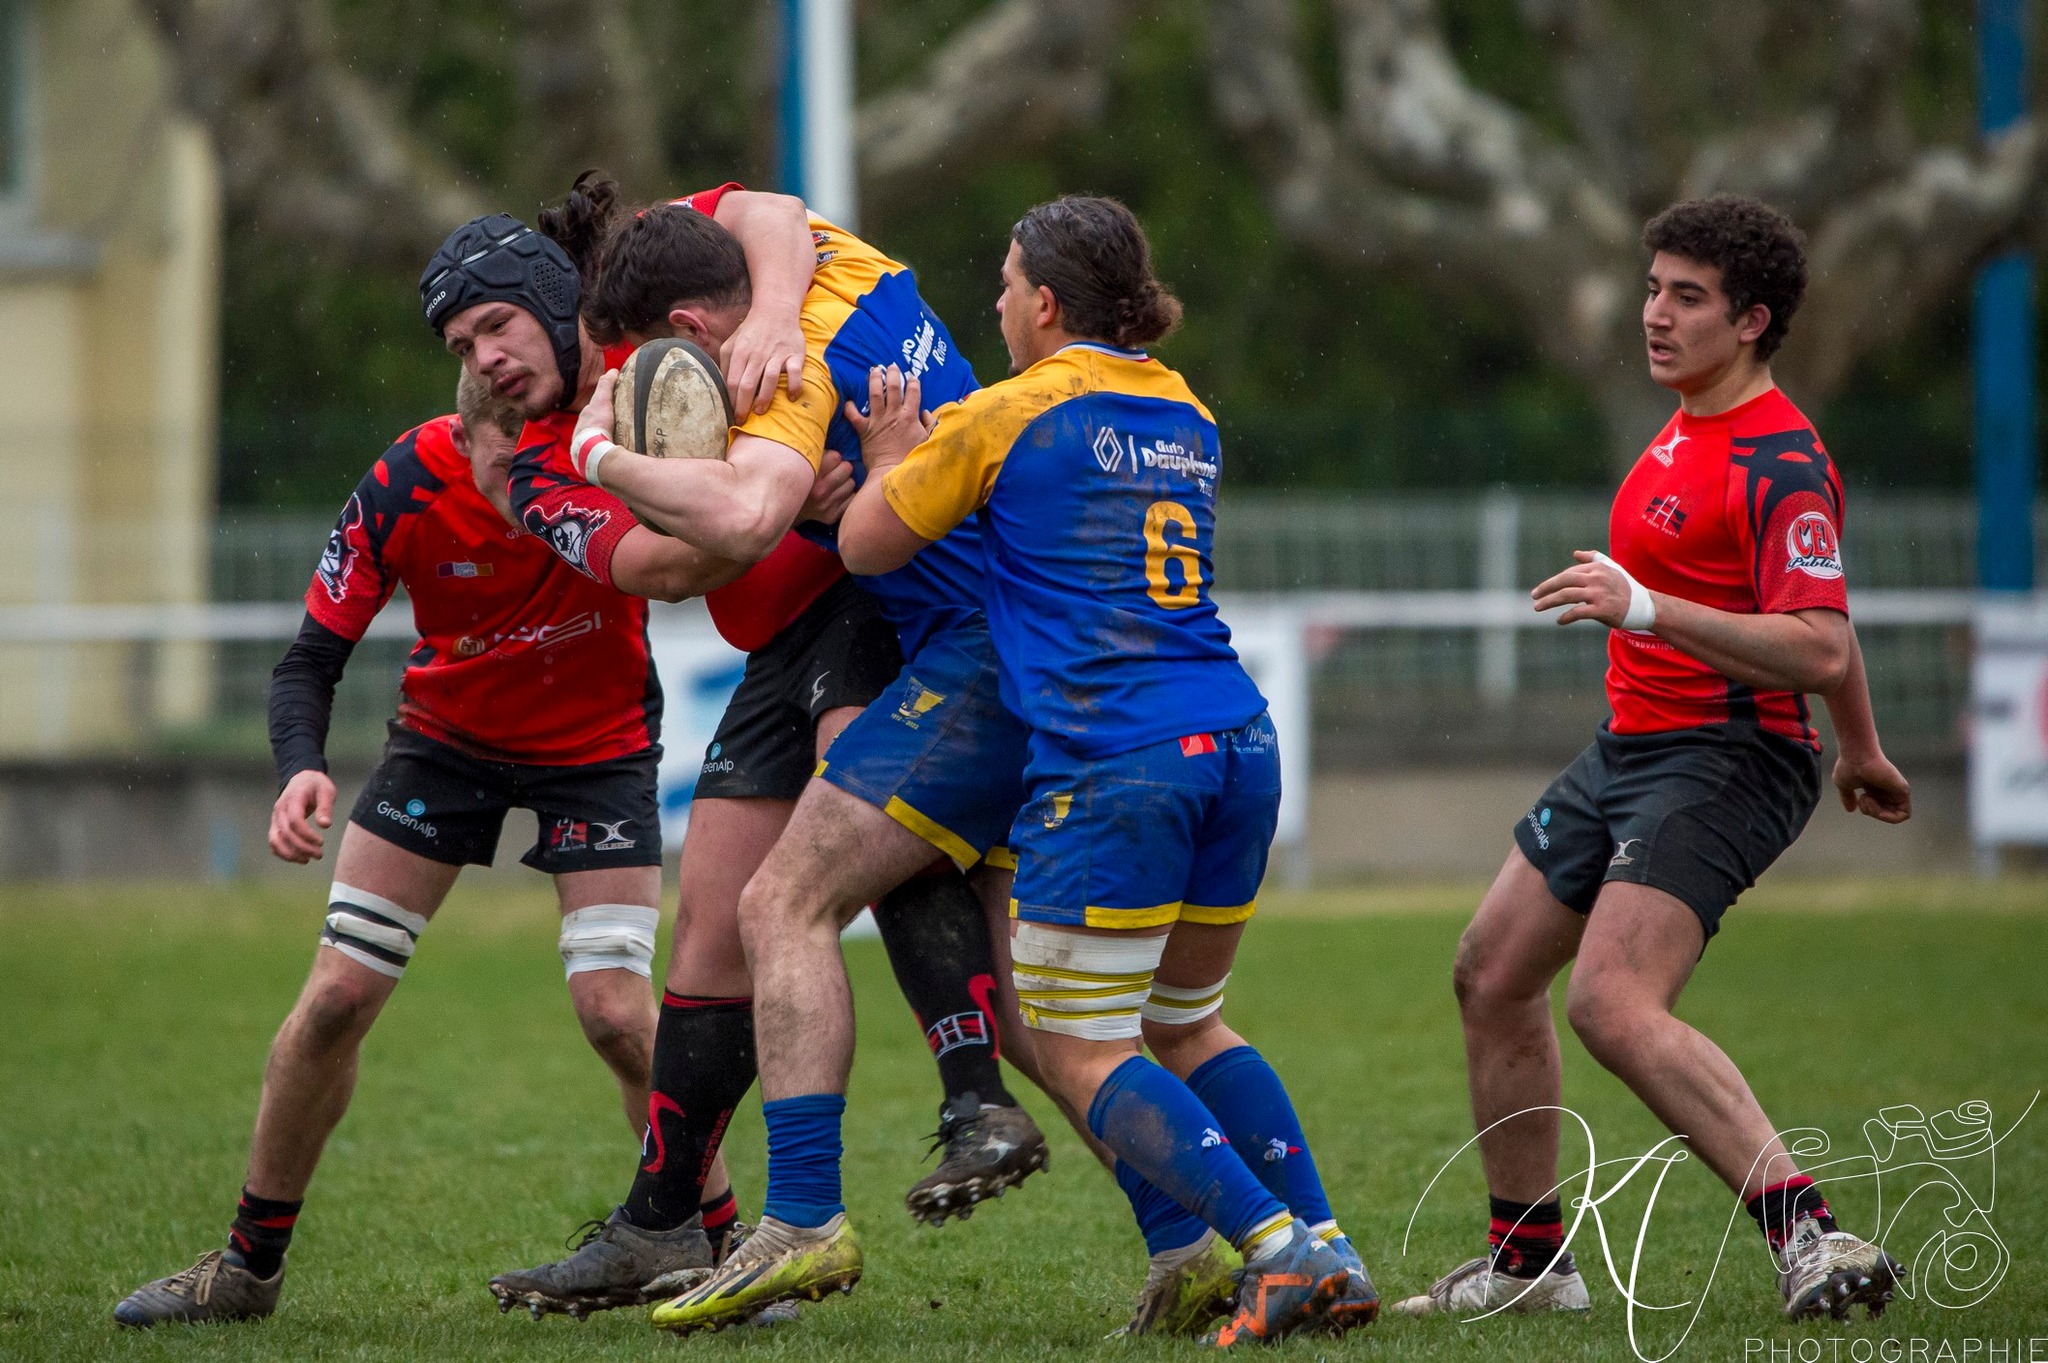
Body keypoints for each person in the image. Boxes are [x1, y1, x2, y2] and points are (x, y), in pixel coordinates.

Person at [661, 196, 1380, 1344]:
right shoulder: (1184, 407)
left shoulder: (1005, 411)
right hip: (1234, 737)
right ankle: (1299, 1243)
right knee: (1179, 1023)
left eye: (1002, 286)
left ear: (1045, 303)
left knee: (799, 910)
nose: (990, 307)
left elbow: (864, 546)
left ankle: (804, 1216)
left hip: (1101, 743)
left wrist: (887, 458)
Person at [476, 179, 1055, 1321]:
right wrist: (785, 508)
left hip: (873, 600)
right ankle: (663, 1222)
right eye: (469, 342)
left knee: (854, 839)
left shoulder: (695, 282)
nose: (499, 359)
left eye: (503, 327)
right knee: (712, 925)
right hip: (798, 605)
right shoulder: (533, 458)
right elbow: (672, 566)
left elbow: (776, 217)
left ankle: (973, 1100)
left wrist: (778, 320)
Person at [1391, 195, 1912, 1324]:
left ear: (1750, 321)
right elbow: (1830, 623)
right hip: (1630, 747)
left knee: (1613, 1002)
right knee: (1489, 970)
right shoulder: (1681, 423)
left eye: (1686, 297)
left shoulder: (1780, 458)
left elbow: (1815, 637)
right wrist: (1863, 748)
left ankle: (1813, 1238)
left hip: (1726, 755)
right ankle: (1531, 1269)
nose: (1654, 314)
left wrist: (1645, 605)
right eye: (1652, 288)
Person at [112, 359, 709, 1328]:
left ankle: (713, 1245)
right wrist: (299, 765)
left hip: (596, 748)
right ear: (462, 438)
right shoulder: (403, 483)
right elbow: (309, 659)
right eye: (503, 474)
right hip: (447, 749)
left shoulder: (596, 467)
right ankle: (246, 1267)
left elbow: (703, 553)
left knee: (615, 1012)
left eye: (539, 473)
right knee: (335, 998)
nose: (530, 501)